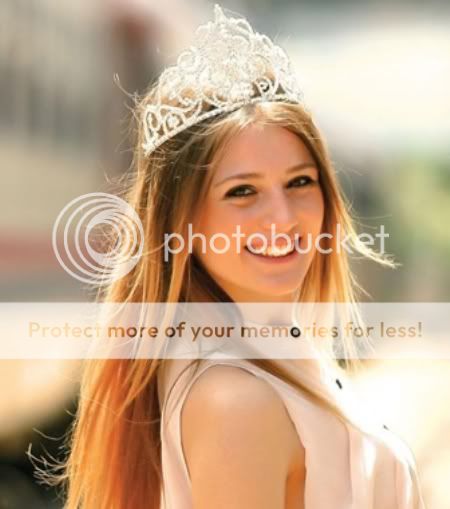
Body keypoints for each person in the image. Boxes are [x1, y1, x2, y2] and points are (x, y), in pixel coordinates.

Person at [54, 5, 426, 508]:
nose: (283, 218)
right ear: (182, 222)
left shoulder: (286, 356)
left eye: (299, 182)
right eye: (242, 192)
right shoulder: (238, 401)